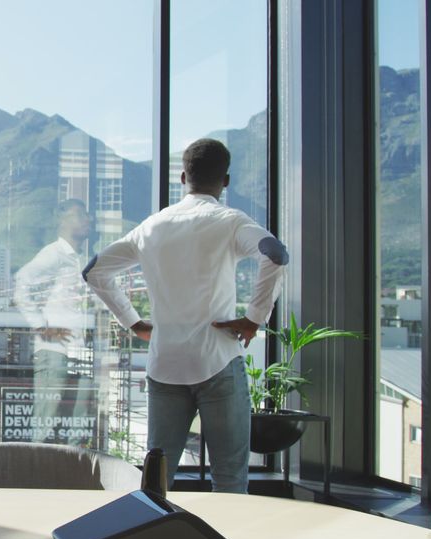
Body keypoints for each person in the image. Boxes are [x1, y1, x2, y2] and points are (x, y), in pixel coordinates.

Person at [82, 139, 287, 493]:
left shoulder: (150, 227)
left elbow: (93, 271)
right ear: (225, 181)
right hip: (218, 359)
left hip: (166, 365)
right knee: (229, 476)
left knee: (156, 479)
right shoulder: (230, 221)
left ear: (182, 177)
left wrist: (133, 322)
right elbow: (276, 254)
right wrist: (255, 317)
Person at [14, 199, 101, 448]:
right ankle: (35, 479)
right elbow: (22, 285)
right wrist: (42, 327)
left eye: (87, 215)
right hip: (55, 351)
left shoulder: (79, 259)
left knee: (78, 424)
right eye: (80, 215)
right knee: (46, 421)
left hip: (79, 351)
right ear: (61, 221)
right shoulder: (54, 254)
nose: (88, 220)